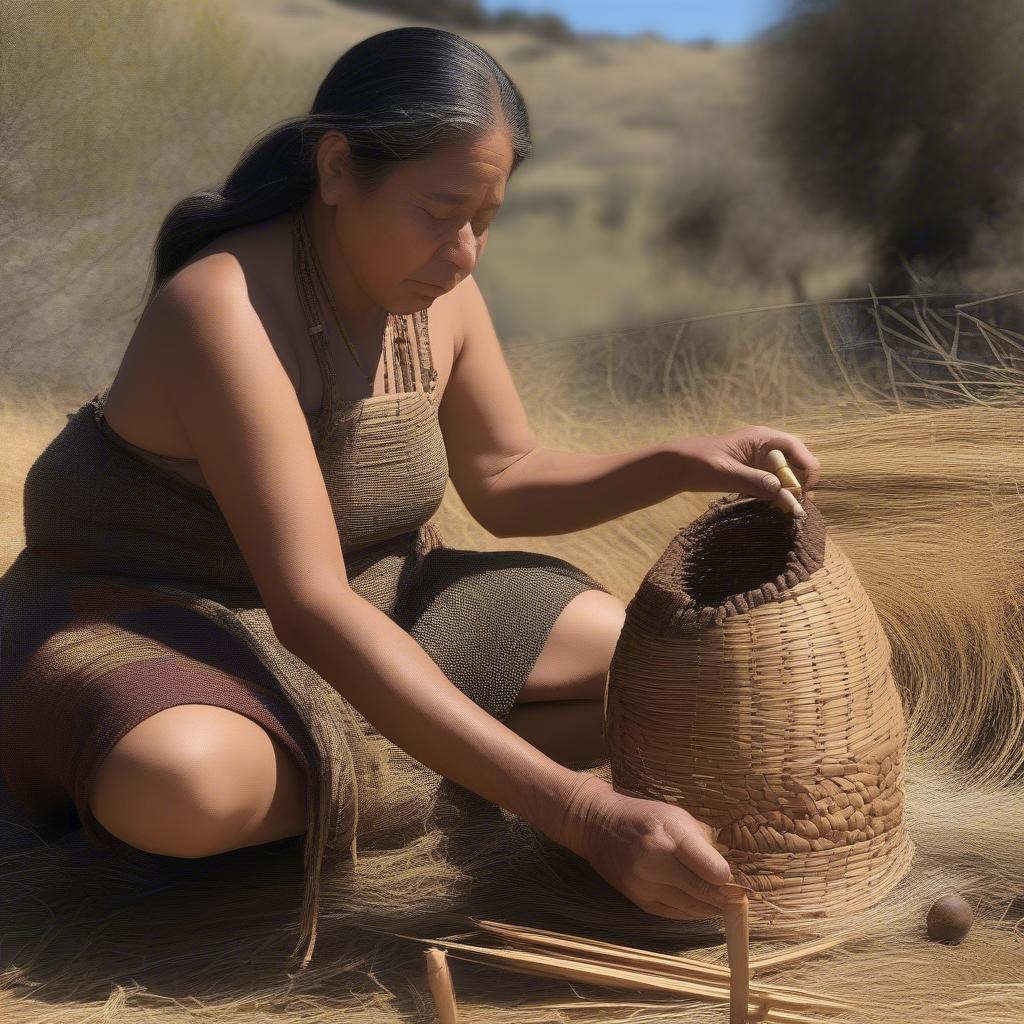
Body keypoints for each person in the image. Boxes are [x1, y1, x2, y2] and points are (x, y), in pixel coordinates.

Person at [0, 25, 820, 971]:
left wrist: (681, 457)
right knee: (182, 789)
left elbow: (506, 483)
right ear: (340, 168)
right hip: (155, 618)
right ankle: (453, 752)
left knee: (657, 665)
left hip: (381, 594)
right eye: (439, 210)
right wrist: (582, 811)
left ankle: (394, 747)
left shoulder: (440, 291)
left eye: (486, 218)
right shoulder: (222, 308)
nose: (466, 251)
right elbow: (308, 609)